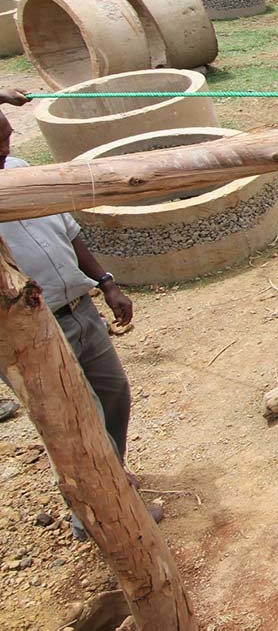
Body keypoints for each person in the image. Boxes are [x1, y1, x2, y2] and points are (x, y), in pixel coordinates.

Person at [0, 88, 160, 536]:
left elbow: (69, 232)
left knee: (113, 395)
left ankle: (109, 481)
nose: (5, 149)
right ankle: (101, 511)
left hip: (80, 308)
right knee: (74, 420)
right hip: (30, 328)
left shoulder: (22, 173)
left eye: (8, 136)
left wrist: (106, 282)